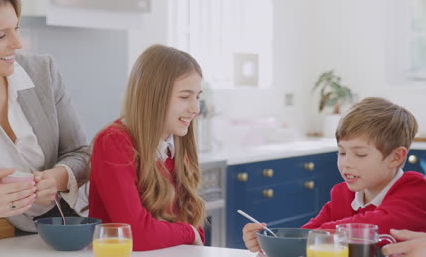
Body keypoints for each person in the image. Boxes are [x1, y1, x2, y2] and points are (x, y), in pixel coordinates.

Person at [0, 0, 89, 232]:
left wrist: (57, 178)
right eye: (1, 35)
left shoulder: (43, 72)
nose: (17, 43)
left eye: (17, 29)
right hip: (0, 234)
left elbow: (82, 153)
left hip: (67, 223)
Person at [243, 97, 426, 252]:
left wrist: (304, 240)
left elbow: (373, 224)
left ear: (395, 157)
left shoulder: (415, 191)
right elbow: (305, 237)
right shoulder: (342, 195)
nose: (346, 162)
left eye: (360, 154)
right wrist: (270, 241)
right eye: (342, 152)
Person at [88, 44, 205, 251]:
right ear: (153, 96)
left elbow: (196, 230)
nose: (195, 108)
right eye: (185, 97)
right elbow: (137, 235)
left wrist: (189, 231)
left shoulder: (175, 143)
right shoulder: (114, 142)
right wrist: (188, 232)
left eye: (198, 96)